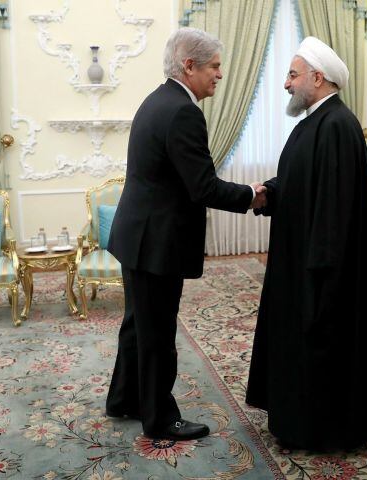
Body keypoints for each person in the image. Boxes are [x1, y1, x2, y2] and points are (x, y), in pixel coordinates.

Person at [105, 27, 266, 441]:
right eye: (214, 66)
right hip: (156, 241)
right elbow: (204, 187)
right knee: (157, 332)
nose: (220, 74)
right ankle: (160, 419)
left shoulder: (157, 100)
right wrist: (254, 195)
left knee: (137, 325)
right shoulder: (183, 112)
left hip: (137, 235)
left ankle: (124, 398)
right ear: (189, 66)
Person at [245, 36, 367, 451]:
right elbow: (301, 185)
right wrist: (267, 193)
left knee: (321, 350)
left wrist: (318, 279)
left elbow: (333, 212)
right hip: (302, 263)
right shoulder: (314, 123)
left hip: (321, 271)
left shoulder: (336, 126)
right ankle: (297, 420)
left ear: (317, 78)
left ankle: (319, 430)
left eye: (292, 75)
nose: (286, 84)